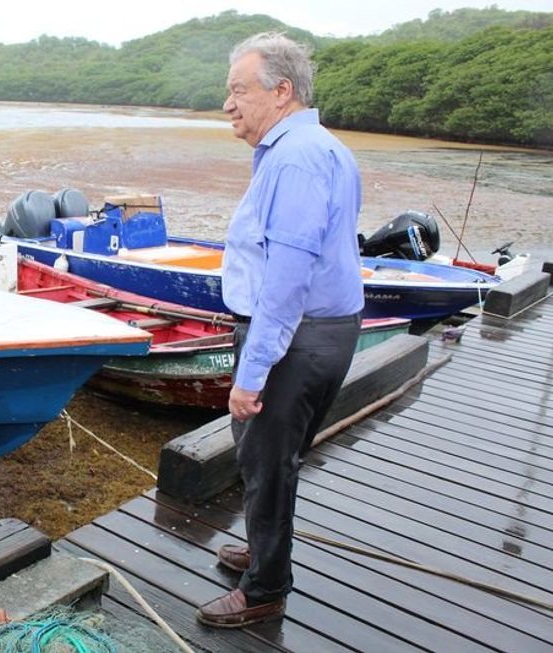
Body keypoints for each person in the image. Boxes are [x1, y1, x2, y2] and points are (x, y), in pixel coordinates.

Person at [196, 32, 364, 628]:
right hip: (327, 329)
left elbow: (287, 279)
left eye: (239, 90)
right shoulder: (321, 146)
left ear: (282, 91)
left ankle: (265, 589)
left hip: (295, 336)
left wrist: (252, 372)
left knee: (266, 462)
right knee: (279, 460)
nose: (228, 104)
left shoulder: (293, 158)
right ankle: (265, 553)